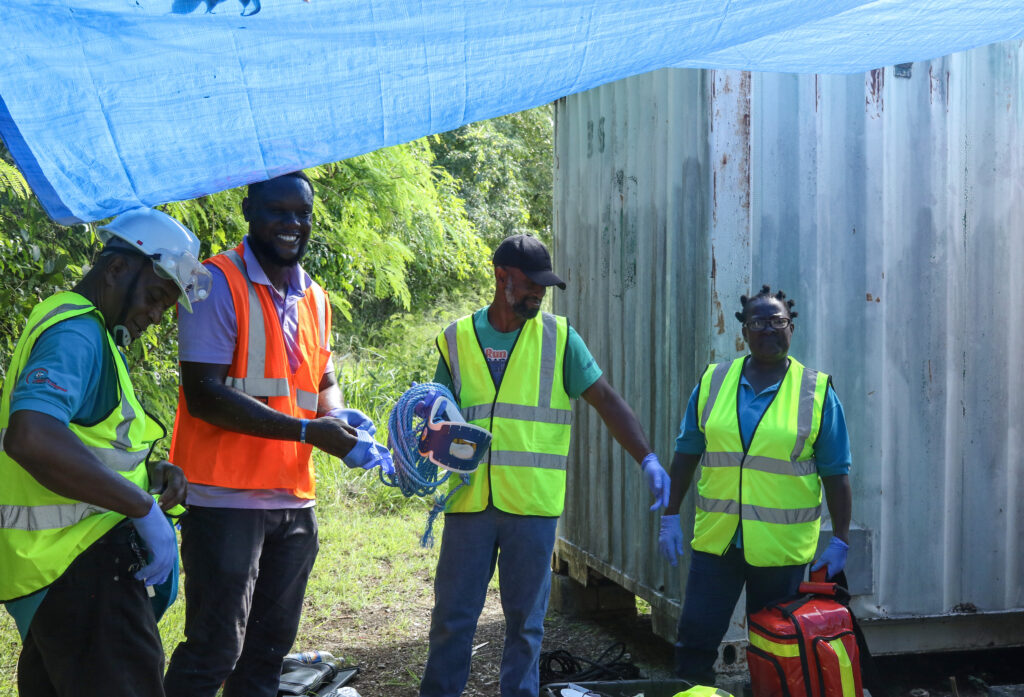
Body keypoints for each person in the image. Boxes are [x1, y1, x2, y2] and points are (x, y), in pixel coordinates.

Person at [162, 171, 392, 697]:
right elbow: (205, 394)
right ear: (249, 210)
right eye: (278, 212)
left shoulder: (314, 296)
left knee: (267, 655)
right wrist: (311, 431)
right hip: (224, 502)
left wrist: (339, 418)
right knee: (215, 650)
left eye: (302, 214)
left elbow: (323, 381)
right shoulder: (214, 281)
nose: (293, 224)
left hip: (293, 501)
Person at [419, 233, 672, 697]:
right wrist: (423, 435)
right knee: (452, 620)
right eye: (531, 283)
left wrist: (648, 458)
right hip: (468, 504)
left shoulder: (559, 338)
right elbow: (435, 415)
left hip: (532, 509)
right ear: (502, 278)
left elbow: (606, 400)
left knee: (525, 625)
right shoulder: (455, 340)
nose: (539, 292)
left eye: (544, 285)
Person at [0, 207, 211, 697]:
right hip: (87, 576)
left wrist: (148, 475)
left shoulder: (81, 329)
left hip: (59, 583)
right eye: (157, 297)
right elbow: (31, 435)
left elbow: (81, 444)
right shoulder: (79, 332)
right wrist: (139, 507)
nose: (156, 316)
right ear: (117, 269)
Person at [657, 285, 853, 685]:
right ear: (743, 331)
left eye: (778, 320)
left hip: (781, 551)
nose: (769, 329)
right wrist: (670, 514)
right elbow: (686, 452)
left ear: (791, 327)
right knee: (694, 642)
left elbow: (836, 473)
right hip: (719, 543)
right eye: (758, 322)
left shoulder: (816, 391)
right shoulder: (714, 381)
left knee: (778, 647)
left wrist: (842, 539)